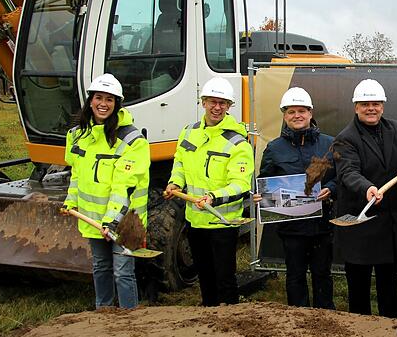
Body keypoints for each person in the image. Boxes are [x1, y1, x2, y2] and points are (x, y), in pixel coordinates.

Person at [61, 73, 150, 309]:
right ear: (90, 101)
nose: (103, 104)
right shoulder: (78, 136)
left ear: (117, 104)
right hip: (93, 219)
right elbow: (77, 174)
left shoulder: (132, 140)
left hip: (125, 221)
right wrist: (71, 200)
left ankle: (129, 318)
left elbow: (125, 186)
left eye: (109, 99)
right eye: (99, 98)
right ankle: (102, 315)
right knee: (100, 266)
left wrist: (112, 221)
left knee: (122, 271)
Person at [164, 77, 253, 306]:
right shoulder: (188, 132)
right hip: (195, 220)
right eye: (213, 102)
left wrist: (214, 197)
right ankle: (209, 316)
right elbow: (180, 164)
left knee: (224, 277)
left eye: (223, 103)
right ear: (203, 102)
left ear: (229, 107)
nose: (217, 107)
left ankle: (230, 318)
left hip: (222, 222)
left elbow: (241, 184)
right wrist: (175, 183)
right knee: (204, 274)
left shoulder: (238, 142)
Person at [333, 79, 397, 318]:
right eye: (365, 104)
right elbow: (348, 172)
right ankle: (360, 334)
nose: (371, 108)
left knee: (389, 286)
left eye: (376, 104)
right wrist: (367, 188)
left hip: (390, 225)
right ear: (356, 107)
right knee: (358, 289)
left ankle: (390, 332)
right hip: (361, 225)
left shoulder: (396, 129)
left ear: (383, 106)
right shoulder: (345, 138)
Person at [253, 87, 336, 309]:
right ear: (284, 115)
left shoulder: (328, 143)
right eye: (291, 111)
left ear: (310, 113)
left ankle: (326, 317)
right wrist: (262, 196)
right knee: (295, 275)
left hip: (322, 224)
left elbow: (340, 177)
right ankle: (297, 320)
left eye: (301, 110)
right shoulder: (274, 148)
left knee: (322, 274)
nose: (297, 115)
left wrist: (331, 188)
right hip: (291, 227)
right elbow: (264, 180)